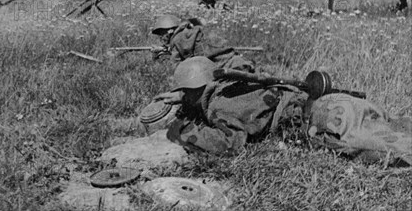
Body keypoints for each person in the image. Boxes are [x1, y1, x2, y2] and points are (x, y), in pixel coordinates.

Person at [153, 57, 412, 166]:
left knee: (392, 151)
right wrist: (183, 97)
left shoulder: (220, 104)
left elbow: (230, 144)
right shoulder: (234, 79)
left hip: (324, 122)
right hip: (334, 101)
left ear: (195, 91)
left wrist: (182, 130)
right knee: (399, 126)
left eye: (185, 93)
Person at [151, 14, 254, 72]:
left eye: (162, 34)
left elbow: (177, 68)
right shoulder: (192, 30)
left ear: (170, 31)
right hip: (232, 59)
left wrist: (160, 56)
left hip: (221, 68)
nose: (162, 38)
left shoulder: (176, 40)